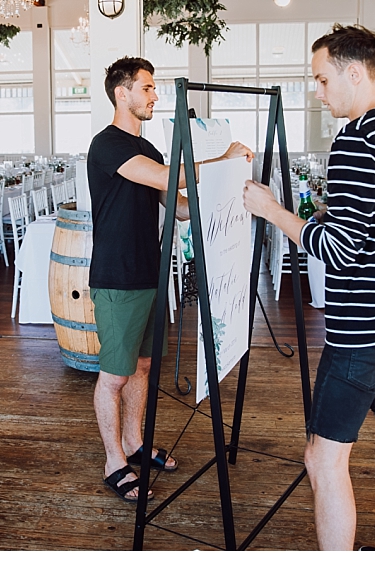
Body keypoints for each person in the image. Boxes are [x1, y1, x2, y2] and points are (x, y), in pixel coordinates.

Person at [242, 25, 375, 550]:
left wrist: (272, 211)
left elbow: (337, 250)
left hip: (366, 330)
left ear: (354, 73)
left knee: (322, 458)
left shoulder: (357, 140)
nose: (318, 91)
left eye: (322, 79)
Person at [87, 56, 252, 503]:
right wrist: (221, 160)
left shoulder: (150, 150)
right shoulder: (107, 145)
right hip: (117, 277)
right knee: (114, 376)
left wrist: (228, 196)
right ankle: (114, 462)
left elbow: (177, 206)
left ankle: (134, 443)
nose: (155, 95)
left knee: (143, 367)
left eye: (154, 88)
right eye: (147, 88)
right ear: (122, 93)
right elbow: (167, 176)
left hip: (151, 273)